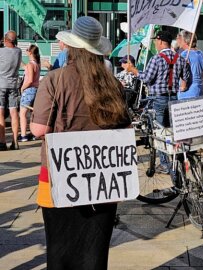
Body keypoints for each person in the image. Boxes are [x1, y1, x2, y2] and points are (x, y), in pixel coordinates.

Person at [30, 16, 130, 270]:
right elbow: (126, 129)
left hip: (59, 177)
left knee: (60, 246)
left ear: (72, 47)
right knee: (94, 249)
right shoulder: (114, 84)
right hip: (104, 181)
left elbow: (39, 129)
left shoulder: (54, 80)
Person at [131, 30, 190, 174]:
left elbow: (147, 78)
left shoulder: (156, 59)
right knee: (173, 132)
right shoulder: (180, 58)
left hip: (158, 99)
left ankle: (165, 164)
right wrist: (182, 81)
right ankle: (178, 160)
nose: (155, 44)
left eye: (156, 41)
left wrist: (133, 70)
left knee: (160, 134)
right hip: (174, 98)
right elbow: (187, 77)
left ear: (161, 41)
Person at [0, 30, 22, 151]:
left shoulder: (1, 51)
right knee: (14, 113)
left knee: (1, 113)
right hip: (13, 85)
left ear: (7, 40)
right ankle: (15, 141)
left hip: (1, 85)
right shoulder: (18, 51)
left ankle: (2, 142)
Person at [178, 30, 203, 100]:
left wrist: (183, 86)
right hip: (200, 91)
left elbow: (182, 71)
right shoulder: (201, 54)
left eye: (180, 39)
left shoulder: (185, 54)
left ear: (185, 41)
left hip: (188, 93)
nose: (179, 41)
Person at [18, 44, 41, 142]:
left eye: (27, 49)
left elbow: (30, 79)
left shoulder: (30, 65)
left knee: (22, 114)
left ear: (30, 52)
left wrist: (22, 88)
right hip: (36, 90)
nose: (26, 51)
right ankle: (33, 133)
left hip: (29, 90)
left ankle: (23, 135)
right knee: (33, 113)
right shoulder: (36, 64)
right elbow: (26, 68)